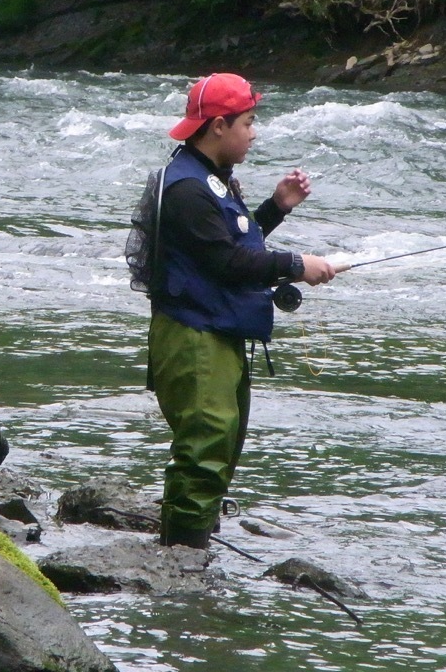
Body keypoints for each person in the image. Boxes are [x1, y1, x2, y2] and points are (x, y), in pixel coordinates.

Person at [147, 72, 339, 549]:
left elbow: (230, 241)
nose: (254, 133)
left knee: (224, 444)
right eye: (248, 122)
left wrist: (275, 208)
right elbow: (228, 261)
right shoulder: (186, 191)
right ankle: (181, 559)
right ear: (217, 126)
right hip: (193, 335)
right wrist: (297, 265)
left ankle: (192, 547)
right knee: (206, 443)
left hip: (216, 330)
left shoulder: (209, 179)